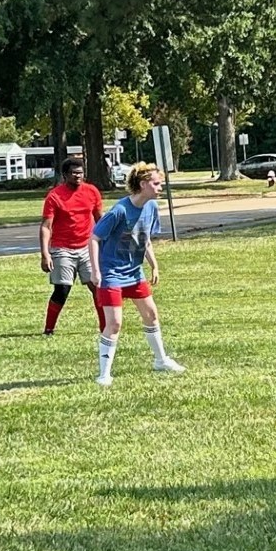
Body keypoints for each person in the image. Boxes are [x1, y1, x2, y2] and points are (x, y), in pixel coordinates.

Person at [88, 162, 185, 386]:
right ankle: (104, 375)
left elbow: (145, 239)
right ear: (143, 184)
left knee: (151, 315)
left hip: (134, 273)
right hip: (111, 273)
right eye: (156, 183)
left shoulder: (150, 207)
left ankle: (161, 361)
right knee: (114, 324)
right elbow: (94, 238)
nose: (160, 187)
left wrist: (154, 264)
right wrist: (96, 271)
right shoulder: (119, 210)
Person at [39, 158, 104, 336]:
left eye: (80, 172)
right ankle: (49, 329)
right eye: (74, 173)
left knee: (98, 287)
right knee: (62, 289)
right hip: (62, 249)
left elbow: (100, 220)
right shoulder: (54, 196)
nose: (78, 176)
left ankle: (105, 328)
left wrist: (105, 243)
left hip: (87, 247)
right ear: (65, 175)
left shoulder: (92, 192)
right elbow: (46, 226)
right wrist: (46, 254)